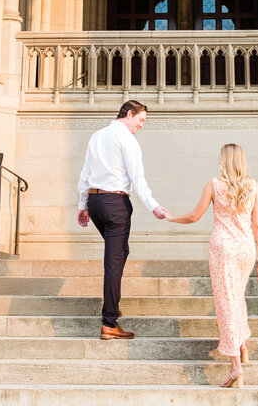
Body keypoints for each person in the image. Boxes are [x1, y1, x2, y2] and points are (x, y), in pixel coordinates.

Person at [167, 143, 258, 388]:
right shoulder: (253, 186)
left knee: (226, 304)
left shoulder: (214, 184)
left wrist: (171, 217)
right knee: (237, 299)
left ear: (223, 160)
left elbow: (194, 216)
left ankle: (235, 367)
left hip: (223, 249)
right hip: (245, 249)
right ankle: (242, 345)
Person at [77, 100, 169, 339]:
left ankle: (113, 305)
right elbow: (138, 179)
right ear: (129, 114)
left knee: (119, 252)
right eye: (141, 120)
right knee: (114, 262)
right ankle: (109, 322)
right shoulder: (128, 140)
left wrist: (82, 204)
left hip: (96, 203)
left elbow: (85, 174)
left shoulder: (96, 136)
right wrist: (154, 207)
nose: (141, 125)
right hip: (116, 205)